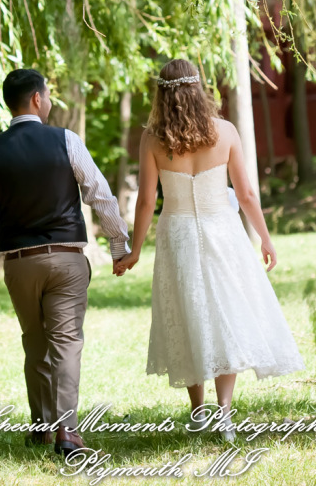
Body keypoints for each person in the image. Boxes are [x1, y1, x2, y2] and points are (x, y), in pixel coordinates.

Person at [115, 59, 305, 442]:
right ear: (198, 89)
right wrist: (265, 238)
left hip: (177, 233)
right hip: (223, 231)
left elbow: (147, 201)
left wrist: (134, 250)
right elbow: (246, 194)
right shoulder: (225, 131)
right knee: (224, 313)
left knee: (189, 313)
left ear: (161, 94)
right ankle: (225, 414)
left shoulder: (152, 139)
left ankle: (198, 412)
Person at [0, 69, 131, 458]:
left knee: (35, 342)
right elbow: (100, 194)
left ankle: (41, 428)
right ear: (37, 98)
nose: (50, 100)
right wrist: (118, 244)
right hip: (67, 260)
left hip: (20, 263)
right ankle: (67, 432)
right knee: (66, 342)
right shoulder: (66, 140)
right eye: (48, 94)